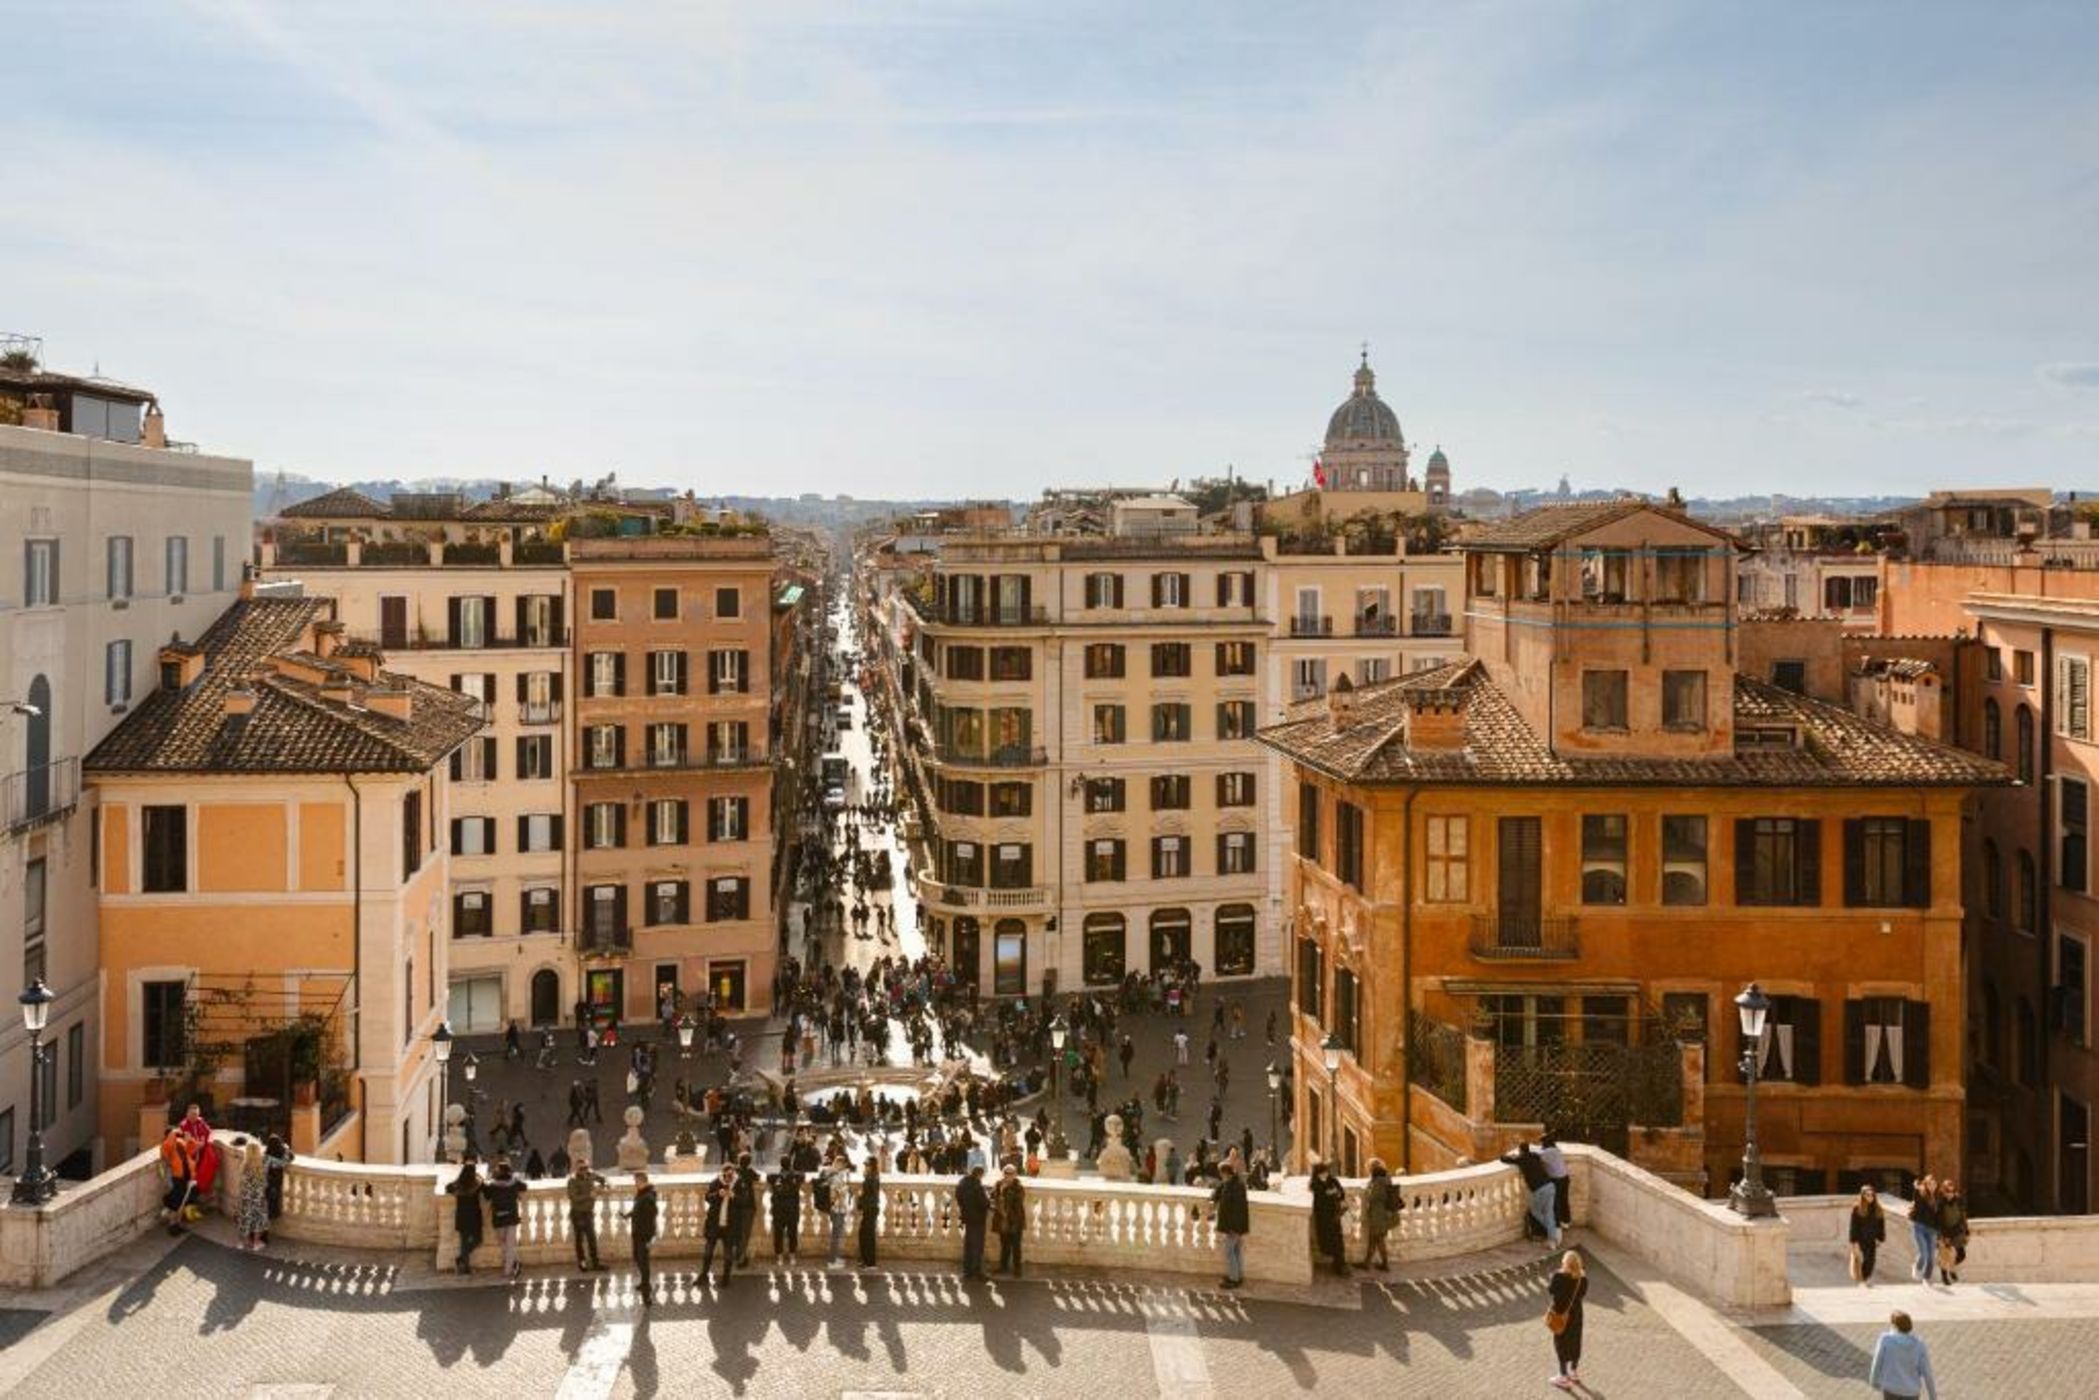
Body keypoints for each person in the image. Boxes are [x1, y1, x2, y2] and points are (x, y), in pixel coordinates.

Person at [1502, 1141, 1560, 1249]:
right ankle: (1553, 1238)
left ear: (1520, 1151)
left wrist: (1509, 1155)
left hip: (1539, 1189)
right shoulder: (1535, 1156)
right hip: (1550, 1186)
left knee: (1535, 1211)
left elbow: (1504, 1159)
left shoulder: (1521, 1159)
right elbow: (1537, 1156)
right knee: (1549, 1213)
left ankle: (1551, 1231)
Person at [1868, 1310, 1938, 1399]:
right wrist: (1932, 1396)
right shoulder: (1919, 1344)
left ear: (1894, 1325)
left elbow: (1877, 1361)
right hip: (1911, 1392)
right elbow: (1927, 1372)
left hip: (1891, 1390)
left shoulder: (1885, 1339)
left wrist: (1873, 1381)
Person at [1546, 1250, 1587, 1389]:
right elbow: (1582, 1295)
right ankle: (1573, 1372)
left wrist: (1559, 1272)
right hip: (1576, 1314)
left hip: (1561, 1314)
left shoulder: (1558, 1276)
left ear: (1565, 1263)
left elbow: (1550, 1290)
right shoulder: (1583, 1279)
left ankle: (1563, 1377)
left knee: (1561, 1344)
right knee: (1575, 1341)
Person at [1211, 1154, 1250, 1289]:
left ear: (1225, 1173)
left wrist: (1234, 1228)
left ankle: (1233, 1279)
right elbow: (1219, 1189)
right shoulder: (1231, 1183)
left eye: (1221, 1174)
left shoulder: (1236, 1187)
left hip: (1234, 1226)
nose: (1221, 1177)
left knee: (1229, 1251)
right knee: (1236, 1251)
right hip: (1235, 1226)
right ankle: (1237, 1276)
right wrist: (1214, 1198)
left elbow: (1238, 1210)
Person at [483, 1156, 524, 1278]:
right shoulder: (514, 1183)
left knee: (503, 1243)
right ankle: (514, 1263)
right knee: (510, 1244)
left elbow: (486, 1196)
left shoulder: (493, 1185)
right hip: (512, 1217)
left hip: (499, 1217)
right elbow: (524, 1187)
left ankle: (508, 1270)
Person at [1360, 1158, 1402, 1271]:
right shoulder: (1387, 1178)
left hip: (1378, 1215)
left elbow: (1372, 1197)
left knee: (1377, 1239)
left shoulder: (1378, 1182)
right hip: (1385, 1214)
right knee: (1374, 1240)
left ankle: (1384, 1264)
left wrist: (1369, 1187)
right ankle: (1367, 1263)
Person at [624, 1171, 659, 1306]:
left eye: (637, 1181)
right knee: (637, 1258)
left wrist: (650, 1238)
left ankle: (647, 1294)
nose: (635, 1183)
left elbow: (653, 1216)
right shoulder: (641, 1193)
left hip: (644, 1235)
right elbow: (638, 1209)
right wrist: (628, 1215)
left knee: (644, 1262)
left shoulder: (648, 1196)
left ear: (643, 1181)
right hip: (637, 1233)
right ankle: (645, 1283)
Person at [445, 1157, 485, 1275]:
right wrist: (481, 1178)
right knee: (478, 1240)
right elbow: (487, 1192)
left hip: (462, 1215)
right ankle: (463, 1261)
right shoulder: (477, 1184)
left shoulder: (458, 1184)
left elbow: (448, 1188)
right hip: (474, 1216)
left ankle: (463, 1263)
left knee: (463, 1241)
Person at [1309, 1160, 1349, 1276]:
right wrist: (1332, 1192)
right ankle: (1338, 1264)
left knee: (1338, 1240)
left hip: (1335, 1214)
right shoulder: (1315, 1183)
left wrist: (1331, 1192)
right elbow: (1321, 1197)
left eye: (1326, 1171)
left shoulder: (1332, 1180)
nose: (1325, 1174)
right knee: (1330, 1240)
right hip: (1324, 1217)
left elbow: (1341, 1192)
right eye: (1323, 1172)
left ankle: (1340, 1265)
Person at [568, 1159, 608, 1271]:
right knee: (579, 1239)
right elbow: (574, 1197)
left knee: (592, 1238)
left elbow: (603, 1179)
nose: (584, 1170)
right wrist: (590, 1195)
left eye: (586, 1167)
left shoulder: (591, 1175)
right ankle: (582, 1263)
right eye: (581, 1169)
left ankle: (595, 1263)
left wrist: (605, 1185)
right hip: (577, 1213)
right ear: (576, 1169)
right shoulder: (572, 1180)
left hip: (588, 1213)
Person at [990, 1163, 1027, 1277]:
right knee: (1004, 1245)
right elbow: (993, 1196)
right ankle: (1003, 1266)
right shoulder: (998, 1184)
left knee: (1016, 1246)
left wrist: (1006, 1190)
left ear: (1015, 1174)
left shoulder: (1018, 1187)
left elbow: (1018, 1202)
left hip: (1015, 1221)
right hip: (1002, 1220)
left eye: (1010, 1173)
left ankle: (1017, 1269)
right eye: (1006, 1173)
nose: (1008, 1176)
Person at [956, 1164, 991, 1280]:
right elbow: (984, 1203)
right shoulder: (977, 1186)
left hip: (967, 1218)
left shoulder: (962, 1183)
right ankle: (977, 1271)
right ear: (980, 1174)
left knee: (968, 1245)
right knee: (977, 1246)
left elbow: (958, 1197)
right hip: (978, 1220)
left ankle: (967, 1271)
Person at [1849, 1185, 1887, 1286]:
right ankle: (1862, 1280)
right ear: (1863, 1196)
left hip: (1872, 1239)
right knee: (1863, 1259)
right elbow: (1853, 1226)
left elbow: (1881, 1225)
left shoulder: (1878, 1209)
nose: (1870, 1197)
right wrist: (1853, 1241)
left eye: (1872, 1195)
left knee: (1871, 1261)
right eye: (1867, 1195)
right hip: (1861, 1239)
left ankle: (1864, 1278)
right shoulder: (1857, 1208)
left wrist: (1880, 1238)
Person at [703, 1167, 736, 1284]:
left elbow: (744, 1202)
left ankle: (726, 1278)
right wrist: (718, 1194)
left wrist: (734, 1197)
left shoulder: (737, 1185)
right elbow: (707, 1197)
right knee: (708, 1252)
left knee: (728, 1255)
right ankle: (703, 1276)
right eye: (726, 1175)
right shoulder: (715, 1183)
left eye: (730, 1176)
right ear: (723, 1174)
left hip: (729, 1226)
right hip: (714, 1225)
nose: (728, 1178)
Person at [236, 1139, 270, 1251]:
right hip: (258, 1199)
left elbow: (242, 1183)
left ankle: (242, 1242)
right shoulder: (263, 1163)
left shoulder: (244, 1165)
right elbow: (283, 1161)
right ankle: (256, 1243)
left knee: (245, 1219)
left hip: (246, 1198)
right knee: (258, 1220)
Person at [820, 1154, 852, 1268]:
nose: (844, 1167)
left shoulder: (833, 1174)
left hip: (836, 1208)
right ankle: (832, 1261)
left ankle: (835, 1258)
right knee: (836, 1235)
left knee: (836, 1235)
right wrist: (846, 1187)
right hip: (838, 1209)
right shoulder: (836, 1177)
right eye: (843, 1164)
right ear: (839, 1164)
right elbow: (836, 1193)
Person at [1907, 1177, 1940, 1283]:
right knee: (1923, 1254)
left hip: (1933, 1230)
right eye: (1929, 1184)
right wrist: (1917, 1188)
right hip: (1920, 1227)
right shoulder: (1920, 1195)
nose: (1932, 1186)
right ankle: (1917, 1267)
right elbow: (1917, 1201)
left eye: (1934, 1184)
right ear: (1926, 1185)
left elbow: (1940, 1216)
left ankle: (1926, 1278)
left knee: (1931, 1257)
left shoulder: (1938, 1198)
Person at [1935, 1181, 1968, 1285]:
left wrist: (1966, 1231)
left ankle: (1951, 1268)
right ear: (1943, 1192)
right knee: (1945, 1256)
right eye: (1948, 1191)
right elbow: (1939, 1221)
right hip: (1944, 1232)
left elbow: (1962, 1217)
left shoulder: (1959, 1201)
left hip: (1957, 1231)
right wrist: (1945, 1236)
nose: (1950, 1193)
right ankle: (1944, 1278)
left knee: (1961, 1255)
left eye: (1952, 1191)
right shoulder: (1940, 1203)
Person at [261, 1134, 294, 1239]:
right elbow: (288, 1159)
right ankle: (263, 1234)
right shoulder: (276, 1160)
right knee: (267, 1210)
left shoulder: (266, 1157)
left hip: (264, 1185)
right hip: (273, 1187)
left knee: (263, 1210)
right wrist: (286, 1149)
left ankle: (259, 1233)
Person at [770, 1165, 804, 1264]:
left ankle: (779, 1256)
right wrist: (791, 1173)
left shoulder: (776, 1178)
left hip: (778, 1211)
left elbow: (769, 1177)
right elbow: (802, 1175)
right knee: (792, 1234)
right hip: (792, 1211)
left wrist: (781, 1175)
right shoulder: (795, 1179)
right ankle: (792, 1255)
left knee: (778, 1234)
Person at [1539, 1133, 1572, 1230]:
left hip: (1556, 1180)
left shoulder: (1547, 1153)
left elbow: (1537, 1158)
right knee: (1564, 1200)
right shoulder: (1557, 1150)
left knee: (1555, 1202)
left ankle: (1557, 1224)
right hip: (1565, 1178)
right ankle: (1566, 1222)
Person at [857, 1158, 882, 1269]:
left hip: (870, 1209)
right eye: (865, 1165)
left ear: (872, 1166)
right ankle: (866, 1260)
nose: (865, 1167)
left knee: (867, 1235)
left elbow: (869, 1194)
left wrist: (860, 1198)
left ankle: (870, 1262)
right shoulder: (872, 1177)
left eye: (867, 1165)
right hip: (870, 1208)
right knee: (864, 1234)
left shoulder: (871, 1178)